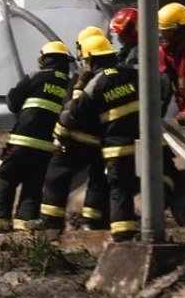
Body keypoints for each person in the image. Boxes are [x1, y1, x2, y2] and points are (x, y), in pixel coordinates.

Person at [0, 41, 70, 233]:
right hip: (47, 146)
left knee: (6, 178)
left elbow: (13, 102)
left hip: (21, 141)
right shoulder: (70, 85)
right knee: (34, 182)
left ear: (44, 59)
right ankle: (25, 221)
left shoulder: (35, 77)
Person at [69, 35, 142, 242]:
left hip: (116, 148)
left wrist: (77, 88)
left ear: (91, 60)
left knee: (120, 189)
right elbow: (163, 87)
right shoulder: (133, 73)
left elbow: (76, 113)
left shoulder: (96, 83)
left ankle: (122, 234)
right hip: (148, 144)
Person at [40, 37, 110, 232]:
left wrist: (59, 136)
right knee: (98, 179)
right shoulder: (114, 76)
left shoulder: (85, 78)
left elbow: (72, 111)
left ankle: (51, 222)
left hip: (76, 139)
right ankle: (92, 221)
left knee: (57, 174)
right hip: (102, 142)